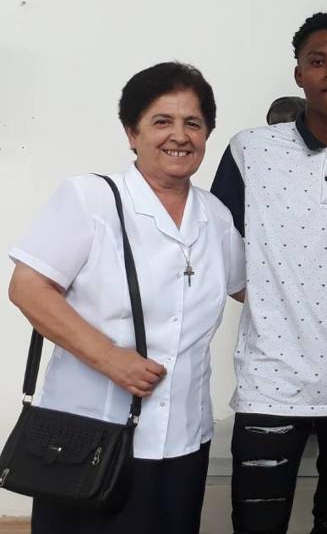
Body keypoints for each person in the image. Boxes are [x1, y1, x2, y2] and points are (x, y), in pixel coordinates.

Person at [8, 63, 244, 533]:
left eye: (193, 123)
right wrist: (111, 359)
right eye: (162, 121)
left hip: (183, 442)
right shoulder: (89, 199)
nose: (179, 136)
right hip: (88, 438)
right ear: (131, 132)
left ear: (207, 134)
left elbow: (254, 289)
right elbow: (28, 287)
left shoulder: (216, 217)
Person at [210, 12, 327, 534]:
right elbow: (218, 238)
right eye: (317, 61)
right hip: (270, 381)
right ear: (299, 74)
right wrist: (268, 292)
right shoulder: (252, 150)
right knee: (257, 523)